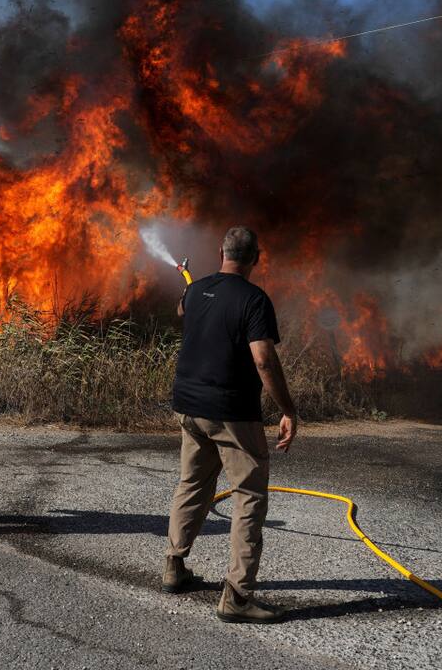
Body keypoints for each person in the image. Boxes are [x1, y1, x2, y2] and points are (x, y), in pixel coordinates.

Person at [162, 226, 297, 623]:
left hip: (188, 407)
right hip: (231, 413)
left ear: (221, 251)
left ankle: (174, 565)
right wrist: (288, 408)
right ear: (257, 257)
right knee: (249, 496)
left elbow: (183, 312)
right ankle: (237, 596)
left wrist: (195, 289)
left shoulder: (196, 289)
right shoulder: (254, 299)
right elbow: (263, 360)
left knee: (192, 484)